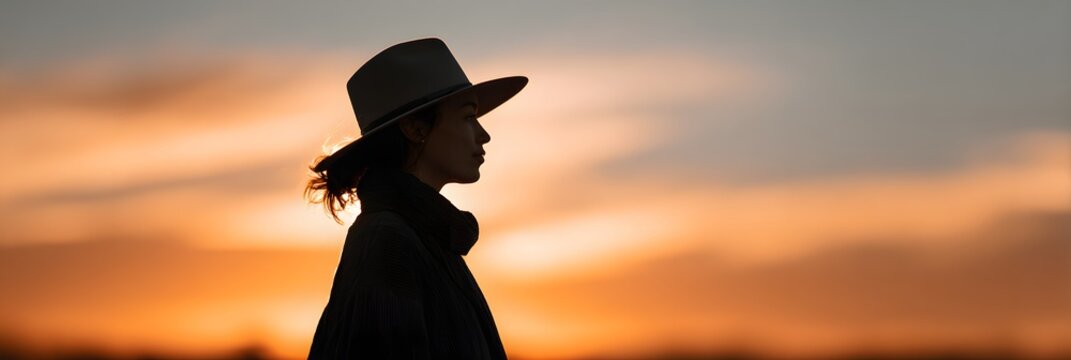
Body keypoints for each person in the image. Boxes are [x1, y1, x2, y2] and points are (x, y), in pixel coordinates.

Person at [303, 38, 527, 359]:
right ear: (414, 128)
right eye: (467, 116)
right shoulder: (388, 239)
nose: (483, 134)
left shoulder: (428, 238)